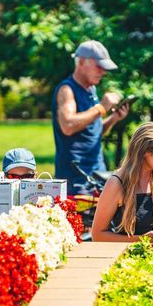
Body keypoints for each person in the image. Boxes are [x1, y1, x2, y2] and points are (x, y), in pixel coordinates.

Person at [52, 40, 130, 194]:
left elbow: (94, 132)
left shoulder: (91, 90)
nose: (103, 72)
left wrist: (114, 118)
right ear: (81, 62)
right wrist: (101, 108)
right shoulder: (67, 90)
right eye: (99, 66)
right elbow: (68, 126)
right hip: (76, 178)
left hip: (98, 173)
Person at [91, 122, 153, 243]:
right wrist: (141, 240)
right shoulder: (117, 183)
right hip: (130, 254)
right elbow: (97, 235)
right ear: (146, 151)